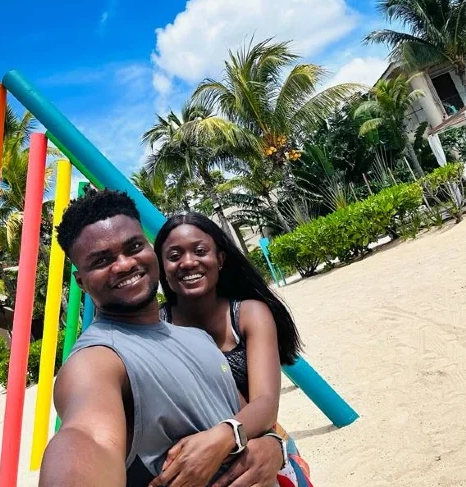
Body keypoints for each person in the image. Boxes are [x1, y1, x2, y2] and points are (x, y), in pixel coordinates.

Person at [39, 189, 287, 487]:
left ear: (149, 249)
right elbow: (87, 437)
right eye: (102, 260)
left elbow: (250, 416)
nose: (124, 264)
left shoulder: (196, 338)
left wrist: (273, 445)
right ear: (82, 281)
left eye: (133, 247)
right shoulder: (97, 360)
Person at [154, 213, 313, 487]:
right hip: (193, 465)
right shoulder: (157, 328)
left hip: (261, 446)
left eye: (200, 251)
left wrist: (222, 437)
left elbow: (265, 404)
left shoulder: (248, 314)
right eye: (174, 255)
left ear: (221, 259)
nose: (188, 262)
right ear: (161, 268)